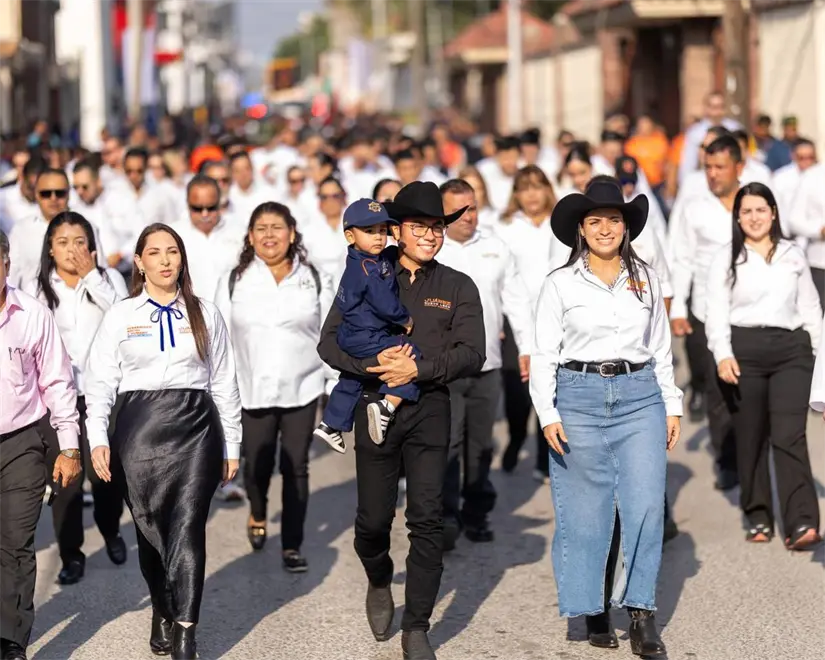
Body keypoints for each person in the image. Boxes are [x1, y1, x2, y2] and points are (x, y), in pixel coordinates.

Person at [317, 181, 485, 660]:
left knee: (427, 520)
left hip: (430, 409)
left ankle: (417, 627)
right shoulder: (368, 270)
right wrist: (374, 367)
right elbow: (329, 342)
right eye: (420, 227)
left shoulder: (458, 285)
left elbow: (473, 353)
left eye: (437, 227)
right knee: (372, 523)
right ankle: (377, 577)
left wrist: (420, 369)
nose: (430, 235)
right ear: (398, 231)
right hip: (374, 409)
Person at [530, 177, 681, 656]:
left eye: (613, 220)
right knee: (587, 515)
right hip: (578, 398)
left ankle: (641, 614)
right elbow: (543, 354)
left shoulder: (648, 280)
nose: (604, 229)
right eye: (594, 221)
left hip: (640, 397)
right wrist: (547, 413)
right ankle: (594, 607)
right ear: (580, 228)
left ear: (626, 226)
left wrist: (672, 402)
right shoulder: (559, 283)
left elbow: (660, 346)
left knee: (644, 508)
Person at [85, 223, 242, 659]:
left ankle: (187, 632)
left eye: (172, 251)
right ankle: (161, 607)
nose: (165, 260)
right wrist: (97, 437)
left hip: (196, 430)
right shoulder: (122, 314)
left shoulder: (206, 312)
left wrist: (232, 445)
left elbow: (225, 381)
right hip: (139, 433)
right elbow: (98, 382)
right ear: (139, 262)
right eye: (154, 253)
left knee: (188, 529)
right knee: (151, 532)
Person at [215, 202, 334, 570]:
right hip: (251, 386)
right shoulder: (234, 279)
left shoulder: (314, 277)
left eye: (277, 228)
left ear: (292, 233)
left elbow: (331, 333)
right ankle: (259, 511)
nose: (270, 235)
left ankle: (292, 545)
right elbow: (219, 337)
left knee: (297, 464)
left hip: (303, 385)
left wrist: (333, 384)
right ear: (250, 237)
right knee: (258, 463)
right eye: (261, 228)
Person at [706, 183, 822, 549]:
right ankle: (758, 514)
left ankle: (802, 521)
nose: (754, 218)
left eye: (761, 210)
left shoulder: (793, 255)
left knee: (790, 435)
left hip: (793, 350)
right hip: (744, 352)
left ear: (773, 212)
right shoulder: (725, 258)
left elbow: (811, 311)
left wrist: (823, 365)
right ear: (737, 218)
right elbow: (716, 313)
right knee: (752, 434)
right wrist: (722, 353)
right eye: (746, 212)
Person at [22, 212, 128, 585]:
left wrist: (91, 277)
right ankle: (72, 553)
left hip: (104, 394)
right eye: (63, 242)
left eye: (79, 241)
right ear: (50, 248)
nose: (71, 250)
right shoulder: (35, 288)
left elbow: (124, 322)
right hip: (58, 399)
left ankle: (111, 529)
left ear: (92, 245)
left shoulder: (108, 279)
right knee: (67, 480)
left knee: (107, 476)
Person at [0, 228, 83, 660]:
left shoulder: (31, 314)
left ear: (6, 265)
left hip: (21, 442)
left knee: (15, 540)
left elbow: (56, 381)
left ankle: (11, 639)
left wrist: (68, 446)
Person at [437, 179, 533, 548]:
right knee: (447, 443)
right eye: (458, 210)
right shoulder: (433, 249)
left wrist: (526, 347)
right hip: (444, 367)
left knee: (480, 445)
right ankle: (445, 516)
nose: (467, 216)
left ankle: (477, 514)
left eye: (473, 207)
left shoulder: (496, 247)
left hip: (488, 364)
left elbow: (517, 300)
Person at [314, 199, 423, 451]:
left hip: (350, 334)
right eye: (370, 231)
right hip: (368, 335)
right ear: (350, 235)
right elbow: (384, 302)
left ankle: (331, 424)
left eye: (383, 231)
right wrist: (404, 319)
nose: (378, 237)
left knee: (351, 377)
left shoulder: (358, 261)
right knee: (408, 353)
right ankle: (387, 406)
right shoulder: (368, 268)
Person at [670, 135, 744, 490]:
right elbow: (681, 259)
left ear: (738, 167)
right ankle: (727, 459)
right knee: (717, 389)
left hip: (749, 312)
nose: (713, 174)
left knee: (750, 387)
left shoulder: (754, 204)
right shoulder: (694, 208)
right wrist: (679, 308)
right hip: (704, 310)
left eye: (720, 167)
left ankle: (751, 452)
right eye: (708, 167)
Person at [496, 165, 562, 480]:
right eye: (525, 187)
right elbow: (499, 280)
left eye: (538, 186)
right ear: (517, 194)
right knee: (517, 388)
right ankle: (517, 436)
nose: (532, 194)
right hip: (515, 316)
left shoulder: (560, 225)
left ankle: (543, 456)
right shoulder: (505, 227)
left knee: (550, 386)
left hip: (555, 318)